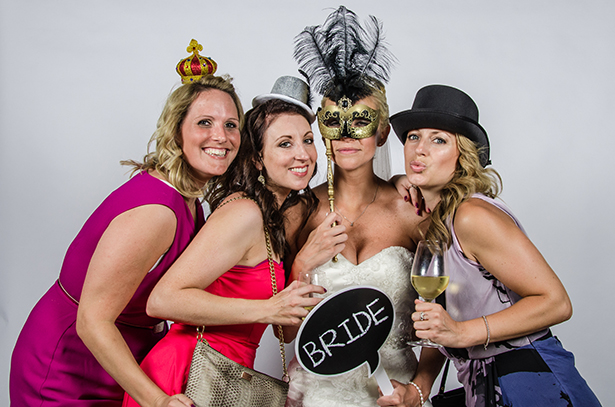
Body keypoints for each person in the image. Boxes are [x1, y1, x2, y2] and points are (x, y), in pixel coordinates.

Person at [9, 40, 243, 406]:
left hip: (121, 361)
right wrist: (157, 400)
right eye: (204, 123)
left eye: (231, 125)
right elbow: (92, 321)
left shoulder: (190, 201)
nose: (221, 136)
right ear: (177, 131)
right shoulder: (157, 212)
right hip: (69, 365)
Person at [389, 84, 601, 406]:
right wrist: (420, 388)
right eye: (414, 137)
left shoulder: (471, 216)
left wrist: (461, 333)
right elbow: (443, 319)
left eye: (439, 140)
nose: (420, 149)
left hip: (532, 383)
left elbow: (556, 302)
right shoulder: (438, 222)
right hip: (482, 385)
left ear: (463, 155)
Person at [122, 76, 325, 406]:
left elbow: (284, 328)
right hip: (186, 375)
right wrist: (268, 309)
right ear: (258, 158)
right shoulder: (244, 212)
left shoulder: (273, 217)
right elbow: (162, 301)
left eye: (307, 140)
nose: (302, 154)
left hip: (228, 379)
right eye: (285, 144)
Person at [284, 7, 443, 407]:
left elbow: (445, 318)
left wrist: (419, 390)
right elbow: (282, 334)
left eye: (361, 118)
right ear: (320, 126)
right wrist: (302, 264)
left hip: (394, 397)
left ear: (383, 130)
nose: (347, 134)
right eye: (334, 119)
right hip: (314, 398)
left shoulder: (411, 208)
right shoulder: (299, 211)